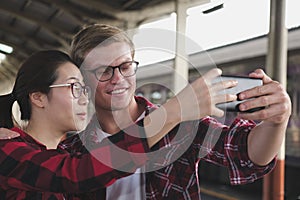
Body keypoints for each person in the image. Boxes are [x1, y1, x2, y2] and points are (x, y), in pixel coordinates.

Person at [67, 24, 291, 199]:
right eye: (104, 71)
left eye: (125, 66)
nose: (118, 79)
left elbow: (245, 154)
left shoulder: (182, 124)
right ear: (82, 80)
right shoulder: (71, 151)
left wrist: (276, 121)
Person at [0, 50, 237, 199]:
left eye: (84, 88)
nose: (84, 97)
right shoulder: (7, 150)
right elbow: (75, 173)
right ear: (38, 97)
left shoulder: (70, 148)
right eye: (74, 87)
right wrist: (172, 112)